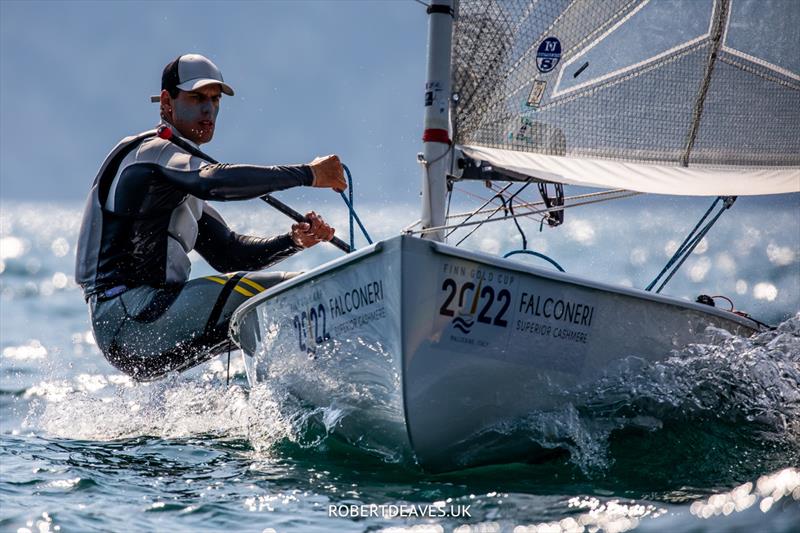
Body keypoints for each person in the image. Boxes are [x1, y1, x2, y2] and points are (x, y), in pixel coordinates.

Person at [74, 53, 345, 381]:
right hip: (133, 319)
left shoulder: (174, 174)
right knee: (304, 292)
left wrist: (294, 240)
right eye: (196, 98)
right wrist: (308, 174)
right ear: (166, 102)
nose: (208, 109)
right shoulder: (153, 155)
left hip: (142, 324)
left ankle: (306, 391)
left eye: (215, 100)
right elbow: (215, 182)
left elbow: (227, 252)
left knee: (284, 297)